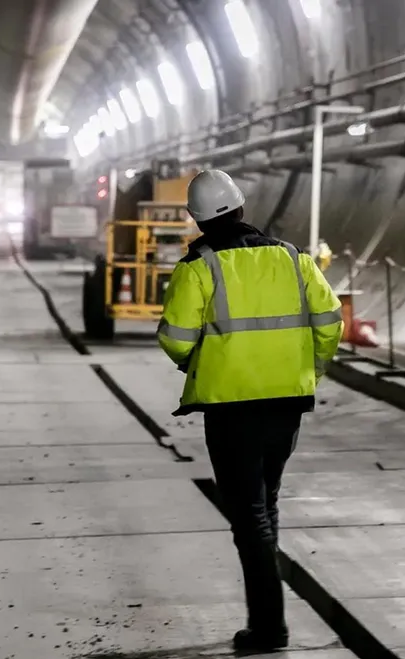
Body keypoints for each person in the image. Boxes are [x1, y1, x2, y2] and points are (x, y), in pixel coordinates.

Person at [157, 170, 344, 653]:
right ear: (241, 208)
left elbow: (175, 340)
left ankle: (269, 628)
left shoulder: (198, 268)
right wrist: (311, 369)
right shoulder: (292, 258)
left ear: (197, 220)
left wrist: (201, 364)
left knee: (251, 518)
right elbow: (329, 321)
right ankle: (268, 621)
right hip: (286, 404)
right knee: (266, 505)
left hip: (231, 409)